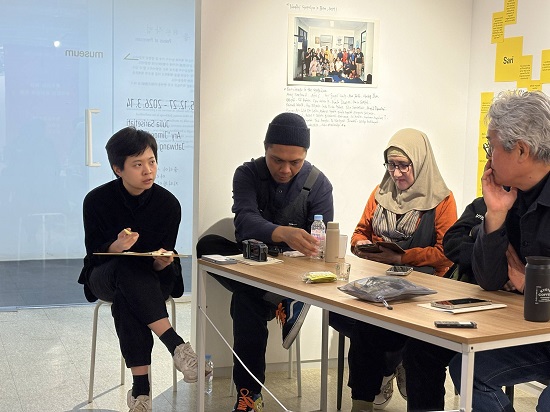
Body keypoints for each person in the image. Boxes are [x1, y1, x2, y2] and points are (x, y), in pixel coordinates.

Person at [196, 112, 334, 412]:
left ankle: (249, 397)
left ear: (305, 155)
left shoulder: (319, 184)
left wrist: (309, 245)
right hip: (252, 264)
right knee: (207, 246)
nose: (285, 169)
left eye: (295, 162)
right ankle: (279, 301)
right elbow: (244, 221)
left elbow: (321, 244)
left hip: (291, 273)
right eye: (276, 160)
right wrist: (282, 232)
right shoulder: (247, 173)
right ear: (265, 149)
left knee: (245, 300)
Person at [78, 127, 209, 412]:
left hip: (153, 278)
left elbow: (163, 253)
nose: (148, 170)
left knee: (128, 298)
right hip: (105, 275)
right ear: (118, 169)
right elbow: (94, 253)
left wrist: (162, 261)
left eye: (152, 161)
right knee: (125, 269)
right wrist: (117, 246)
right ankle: (177, 346)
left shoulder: (168, 204)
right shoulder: (96, 201)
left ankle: (141, 394)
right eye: (138, 164)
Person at [449, 90, 550, 411]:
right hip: (537, 336)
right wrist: (495, 213)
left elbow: (522, 283)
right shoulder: (511, 195)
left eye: (490, 147)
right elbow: (490, 280)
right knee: (469, 368)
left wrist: (530, 285)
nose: (488, 158)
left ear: (521, 150)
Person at [344, 128, 458, 412]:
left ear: (420, 162)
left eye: (403, 165)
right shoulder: (380, 194)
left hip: (425, 293)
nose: (396, 173)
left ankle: (398, 368)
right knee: (363, 331)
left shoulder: (442, 199)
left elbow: (446, 253)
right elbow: (359, 232)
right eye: (391, 165)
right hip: (381, 287)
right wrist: (361, 245)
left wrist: (403, 257)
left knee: (420, 350)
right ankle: (362, 403)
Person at [402, 196, 487, 411]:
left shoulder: (528, 208)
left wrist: (475, 238)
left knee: (471, 369)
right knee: (418, 349)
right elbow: (452, 245)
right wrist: (481, 244)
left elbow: (443, 254)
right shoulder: (480, 204)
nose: (489, 179)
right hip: (470, 299)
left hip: (513, 310)